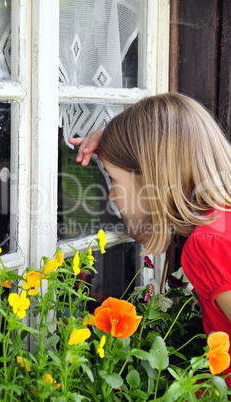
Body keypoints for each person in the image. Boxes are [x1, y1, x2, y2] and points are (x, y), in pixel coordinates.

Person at [69, 92, 231, 387]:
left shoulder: (209, 244)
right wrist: (119, 141)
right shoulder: (223, 218)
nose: (111, 194)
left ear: (151, 178)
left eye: (113, 179)